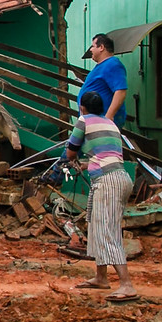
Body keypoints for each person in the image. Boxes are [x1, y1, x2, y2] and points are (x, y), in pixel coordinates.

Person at [66, 89, 138, 302]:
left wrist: (73, 159)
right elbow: (106, 155)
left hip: (107, 182)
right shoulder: (110, 123)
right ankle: (100, 276)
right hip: (119, 178)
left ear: (82, 107)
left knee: (107, 232)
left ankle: (126, 284)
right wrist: (86, 164)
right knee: (96, 224)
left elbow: (71, 151)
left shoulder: (84, 121)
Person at [79, 33, 129, 126]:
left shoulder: (112, 64)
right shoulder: (102, 66)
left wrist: (109, 117)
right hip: (95, 121)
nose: (91, 49)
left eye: (93, 46)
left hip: (102, 122)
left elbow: (121, 92)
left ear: (101, 47)